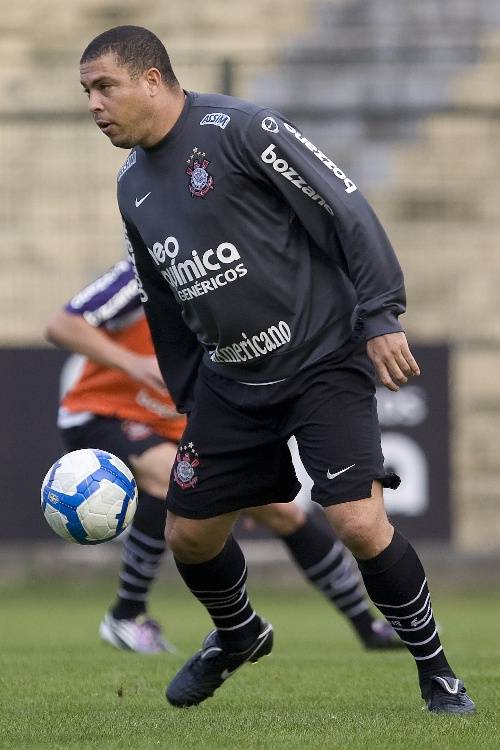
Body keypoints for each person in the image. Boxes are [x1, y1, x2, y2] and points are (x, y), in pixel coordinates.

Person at [78, 26, 474, 714]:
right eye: (86, 91)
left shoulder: (243, 130)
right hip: (229, 381)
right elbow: (161, 295)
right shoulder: (131, 184)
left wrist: (381, 313)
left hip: (323, 360)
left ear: (152, 80)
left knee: (358, 523)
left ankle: (437, 672)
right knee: (188, 536)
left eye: (104, 86)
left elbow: (346, 207)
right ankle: (238, 635)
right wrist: (187, 392)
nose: (93, 104)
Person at [46, 258, 403, 653]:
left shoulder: (237, 279)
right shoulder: (143, 273)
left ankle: (367, 626)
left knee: (284, 513)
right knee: (166, 476)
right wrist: (135, 364)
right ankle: (126, 614)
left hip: (175, 428)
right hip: (101, 414)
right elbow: (62, 325)